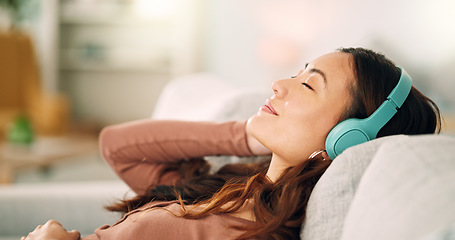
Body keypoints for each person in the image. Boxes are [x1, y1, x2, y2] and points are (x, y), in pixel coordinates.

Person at [22, 47, 441, 240]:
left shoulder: (254, 232)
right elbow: (118, 146)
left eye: (308, 85)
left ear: (348, 139)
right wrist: (245, 133)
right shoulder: (232, 185)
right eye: (297, 72)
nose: (278, 84)